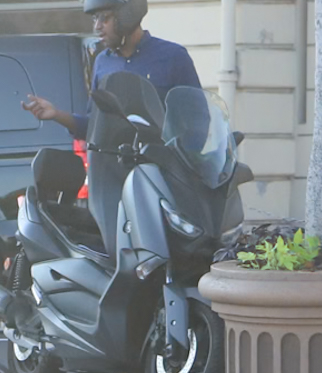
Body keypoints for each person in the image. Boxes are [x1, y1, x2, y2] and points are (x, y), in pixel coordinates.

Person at [20, 0, 200, 253]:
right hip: (115, 184)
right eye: (94, 20)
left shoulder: (173, 57)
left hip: (165, 182)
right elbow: (94, 125)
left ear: (127, 15)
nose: (97, 27)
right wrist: (56, 114)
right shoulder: (102, 63)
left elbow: (197, 123)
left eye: (103, 18)